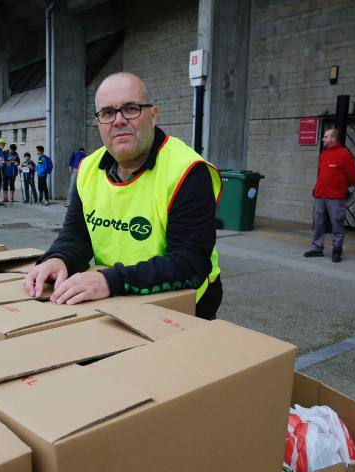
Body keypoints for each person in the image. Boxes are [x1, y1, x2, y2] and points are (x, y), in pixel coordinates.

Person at [23, 72, 223, 320]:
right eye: (107, 113)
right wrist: (58, 258)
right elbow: (76, 235)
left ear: (153, 115)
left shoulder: (187, 171)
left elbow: (190, 262)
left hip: (183, 306)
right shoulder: (88, 168)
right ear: (98, 122)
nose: (118, 121)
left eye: (130, 109)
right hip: (117, 299)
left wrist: (111, 280)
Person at [304, 128, 355, 263]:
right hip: (320, 195)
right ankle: (317, 248)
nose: (323, 139)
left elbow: (352, 178)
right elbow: (322, 175)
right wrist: (317, 188)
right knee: (318, 223)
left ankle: (337, 250)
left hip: (336, 197)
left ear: (333, 138)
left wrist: (340, 187)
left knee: (337, 223)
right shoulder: (324, 155)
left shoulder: (344, 155)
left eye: (326, 137)